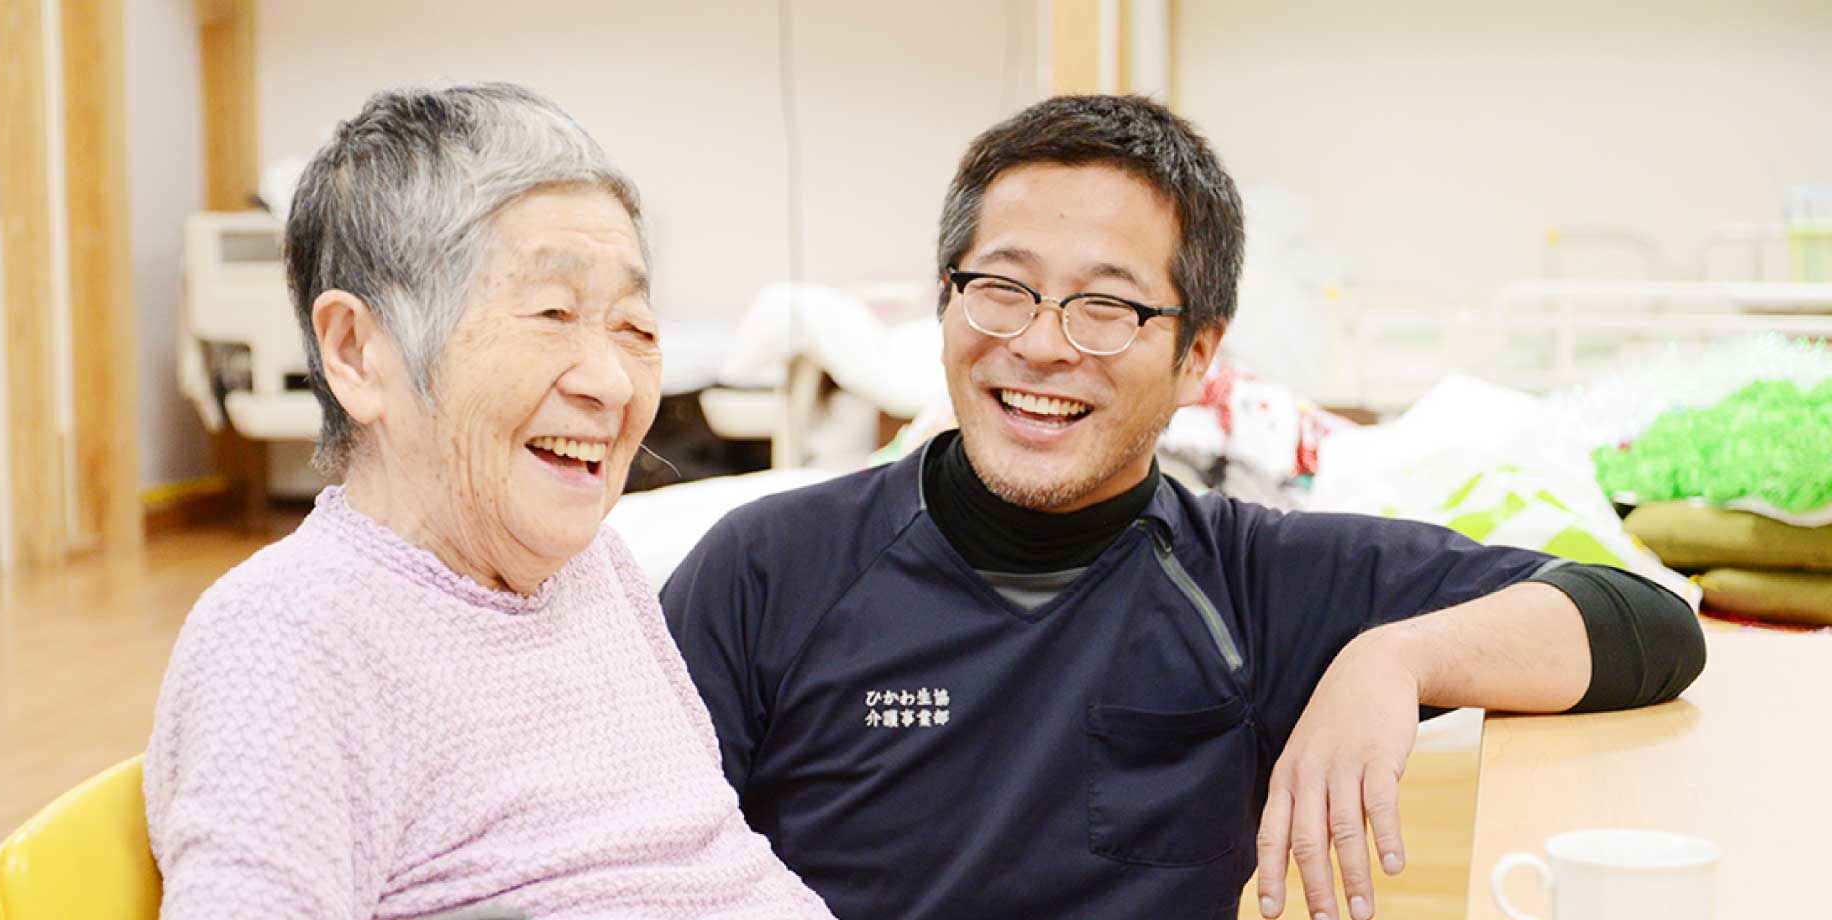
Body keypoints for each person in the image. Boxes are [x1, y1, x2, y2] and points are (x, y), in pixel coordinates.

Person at [660, 95, 1704, 920]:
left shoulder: (1256, 580)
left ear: (1198, 354)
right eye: (1003, 286)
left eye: (1106, 304)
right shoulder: (769, 566)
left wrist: (1397, 657)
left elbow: (1645, 620)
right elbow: (631, 858)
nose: (1041, 343)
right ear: (947, 300)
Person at [143, 83, 832, 920]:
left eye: (635, 328)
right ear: (358, 352)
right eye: (552, 312)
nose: (613, 382)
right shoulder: (288, 639)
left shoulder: (593, 573)